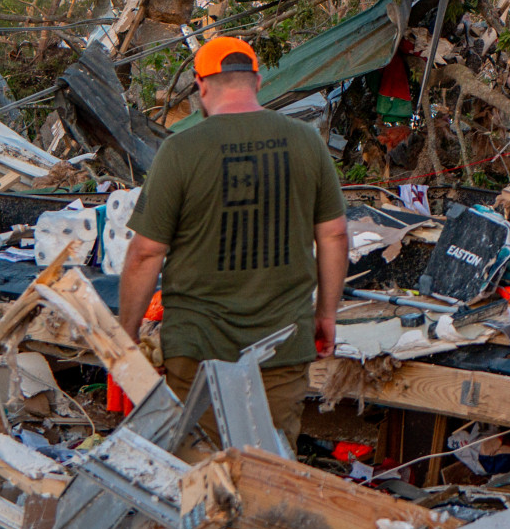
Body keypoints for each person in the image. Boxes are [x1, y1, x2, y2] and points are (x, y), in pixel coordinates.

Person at [120, 35, 347, 448]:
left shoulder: (180, 151)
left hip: (198, 351)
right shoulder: (306, 141)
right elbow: (333, 234)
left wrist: (127, 332)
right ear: (257, 81)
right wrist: (326, 315)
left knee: (201, 474)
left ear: (201, 85)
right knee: (271, 471)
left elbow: (146, 251)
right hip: (282, 346)